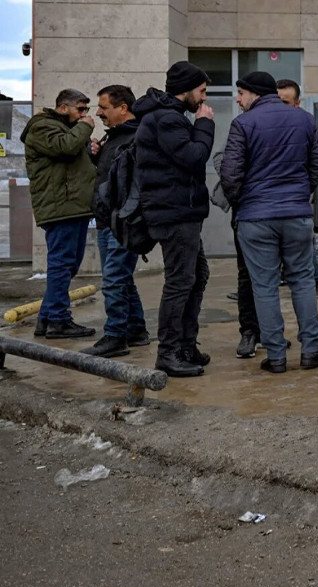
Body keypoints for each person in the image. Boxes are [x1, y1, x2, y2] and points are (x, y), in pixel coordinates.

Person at [219, 71, 318, 373]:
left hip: (255, 218)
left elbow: (230, 175)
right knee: (303, 281)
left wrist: (244, 201)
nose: (237, 99)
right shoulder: (304, 120)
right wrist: (299, 193)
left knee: (264, 285)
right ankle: (311, 349)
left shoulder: (242, 124)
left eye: (241, 93)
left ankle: (276, 356)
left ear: (254, 94)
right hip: (296, 214)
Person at [132, 62, 215, 377]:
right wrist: (205, 124)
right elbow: (194, 157)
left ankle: (184, 345)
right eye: (202, 92)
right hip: (175, 213)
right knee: (180, 282)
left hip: (181, 211)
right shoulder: (168, 119)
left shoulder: (170, 117)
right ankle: (168, 354)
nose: (204, 100)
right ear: (187, 89)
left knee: (198, 275)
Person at [21, 89, 97, 340]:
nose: (85, 115)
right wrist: (85, 128)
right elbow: (64, 147)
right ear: (63, 108)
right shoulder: (42, 127)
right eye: (81, 109)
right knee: (62, 265)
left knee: (69, 265)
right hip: (60, 207)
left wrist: (90, 150)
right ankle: (58, 320)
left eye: (87, 110)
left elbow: (71, 159)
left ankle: (46, 318)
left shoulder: (62, 128)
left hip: (72, 206)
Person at [81, 85, 149, 357]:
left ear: (123, 108)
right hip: (108, 219)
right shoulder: (116, 138)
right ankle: (136, 330)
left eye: (103, 107)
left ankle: (115, 336)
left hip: (124, 221)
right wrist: (96, 155)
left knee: (114, 279)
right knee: (121, 278)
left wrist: (126, 215)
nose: (98, 113)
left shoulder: (136, 138)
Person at [278, 78, 318, 292]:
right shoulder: (262, 125)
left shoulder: (305, 125)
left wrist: (303, 188)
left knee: (301, 244)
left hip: (296, 198)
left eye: (286, 102)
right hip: (271, 200)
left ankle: (315, 278)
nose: (281, 108)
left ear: (297, 103)